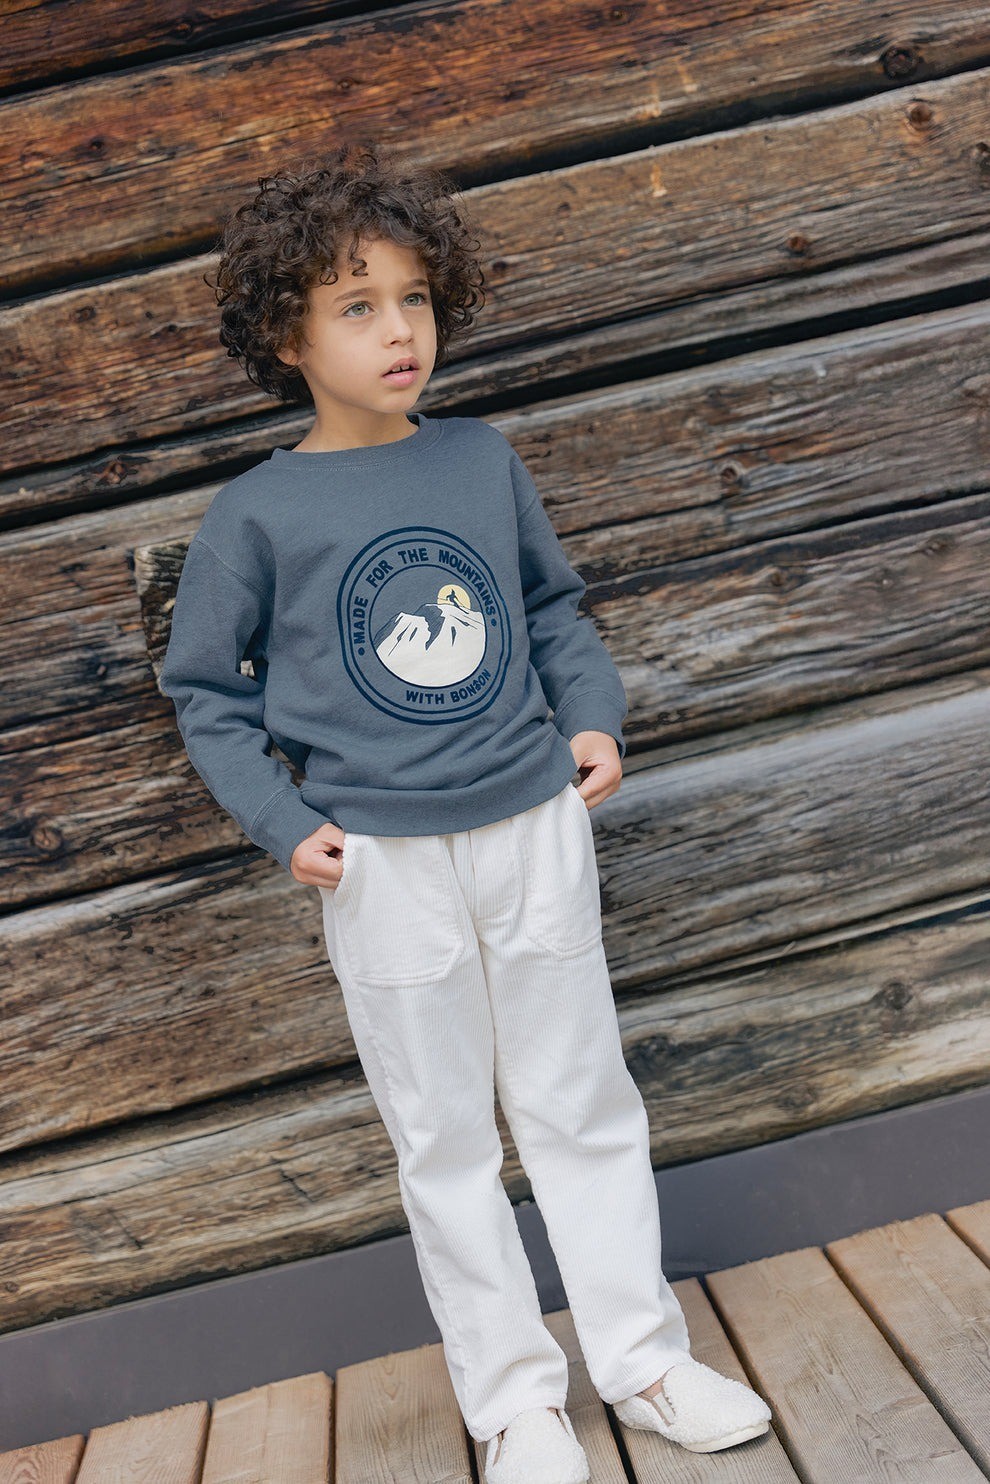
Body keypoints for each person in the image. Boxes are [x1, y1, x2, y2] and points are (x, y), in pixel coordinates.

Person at [159, 141, 772, 1480]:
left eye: (416, 300)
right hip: (381, 865)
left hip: (530, 826)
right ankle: (513, 1402)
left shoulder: (479, 462)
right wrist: (283, 823)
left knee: (580, 1100)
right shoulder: (256, 517)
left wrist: (591, 716)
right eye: (358, 305)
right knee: (441, 1139)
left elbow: (550, 611)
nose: (400, 332)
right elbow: (205, 691)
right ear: (287, 336)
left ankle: (643, 1361)